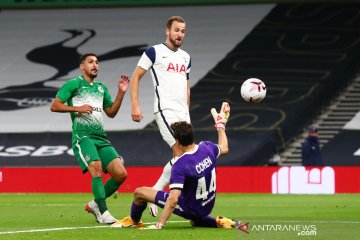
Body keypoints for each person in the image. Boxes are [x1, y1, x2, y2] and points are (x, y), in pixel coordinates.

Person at [111, 102, 241, 229]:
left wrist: (159, 224)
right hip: (207, 205)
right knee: (194, 221)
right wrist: (220, 126)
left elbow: (173, 200)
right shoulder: (207, 147)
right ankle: (218, 221)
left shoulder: (180, 164)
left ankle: (134, 220)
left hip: (191, 208)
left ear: (177, 142)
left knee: (139, 193)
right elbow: (224, 148)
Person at [50, 53, 130, 224]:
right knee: (96, 167)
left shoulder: (101, 88)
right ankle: (104, 212)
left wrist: (121, 93)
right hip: (82, 136)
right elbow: (55, 105)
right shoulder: (74, 84)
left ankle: (94, 204)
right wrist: (76, 108)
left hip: (100, 137)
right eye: (91, 62)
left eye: (97, 62)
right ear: (82, 66)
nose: (95, 65)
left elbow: (111, 113)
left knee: (121, 174)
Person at [130, 16, 191, 216]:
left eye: (183, 31)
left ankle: (155, 192)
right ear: (167, 31)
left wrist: (187, 111)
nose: (179, 34)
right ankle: (156, 195)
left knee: (187, 155)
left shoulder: (186, 57)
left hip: (183, 113)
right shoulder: (154, 52)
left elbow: (186, 87)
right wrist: (135, 106)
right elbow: (136, 77)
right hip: (165, 109)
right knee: (180, 154)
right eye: (176, 30)